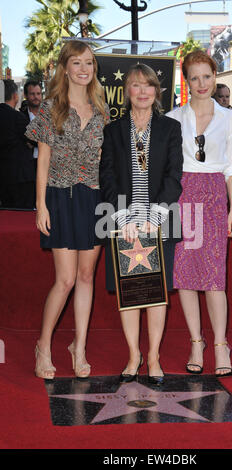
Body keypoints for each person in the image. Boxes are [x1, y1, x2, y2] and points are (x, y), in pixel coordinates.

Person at [25, 40, 110, 380]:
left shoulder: (102, 111)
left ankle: (80, 346)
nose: (83, 69)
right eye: (76, 63)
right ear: (65, 68)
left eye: (88, 63)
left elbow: (106, 161)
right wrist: (40, 204)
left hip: (94, 198)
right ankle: (43, 346)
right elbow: (42, 159)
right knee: (65, 279)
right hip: (59, 197)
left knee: (87, 277)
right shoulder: (50, 108)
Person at [100, 63, 183, 385]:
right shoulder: (113, 131)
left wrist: (153, 216)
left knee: (156, 292)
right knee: (130, 292)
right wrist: (123, 217)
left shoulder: (170, 129)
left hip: (159, 222)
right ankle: (134, 355)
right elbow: (106, 176)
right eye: (136, 85)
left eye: (149, 85)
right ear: (127, 91)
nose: (143, 91)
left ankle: (154, 357)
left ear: (156, 91)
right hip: (123, 222)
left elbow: (174, 176)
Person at [167, 50, 232, 377]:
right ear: (187, 80)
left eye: (207, 76)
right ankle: (196, 341)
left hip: (214, 196)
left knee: (214, 274)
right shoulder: (172, 119)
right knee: (185, 272)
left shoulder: (231, 119)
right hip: (182, 194)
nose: (202, 83)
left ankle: (221, 344)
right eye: (195, 77)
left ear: (215, 77)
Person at [0, 79, 36, 208]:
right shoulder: (18, 117)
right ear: (15, 96)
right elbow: (36, 140)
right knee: (23, 216)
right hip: (21, 178)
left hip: (3, 178)